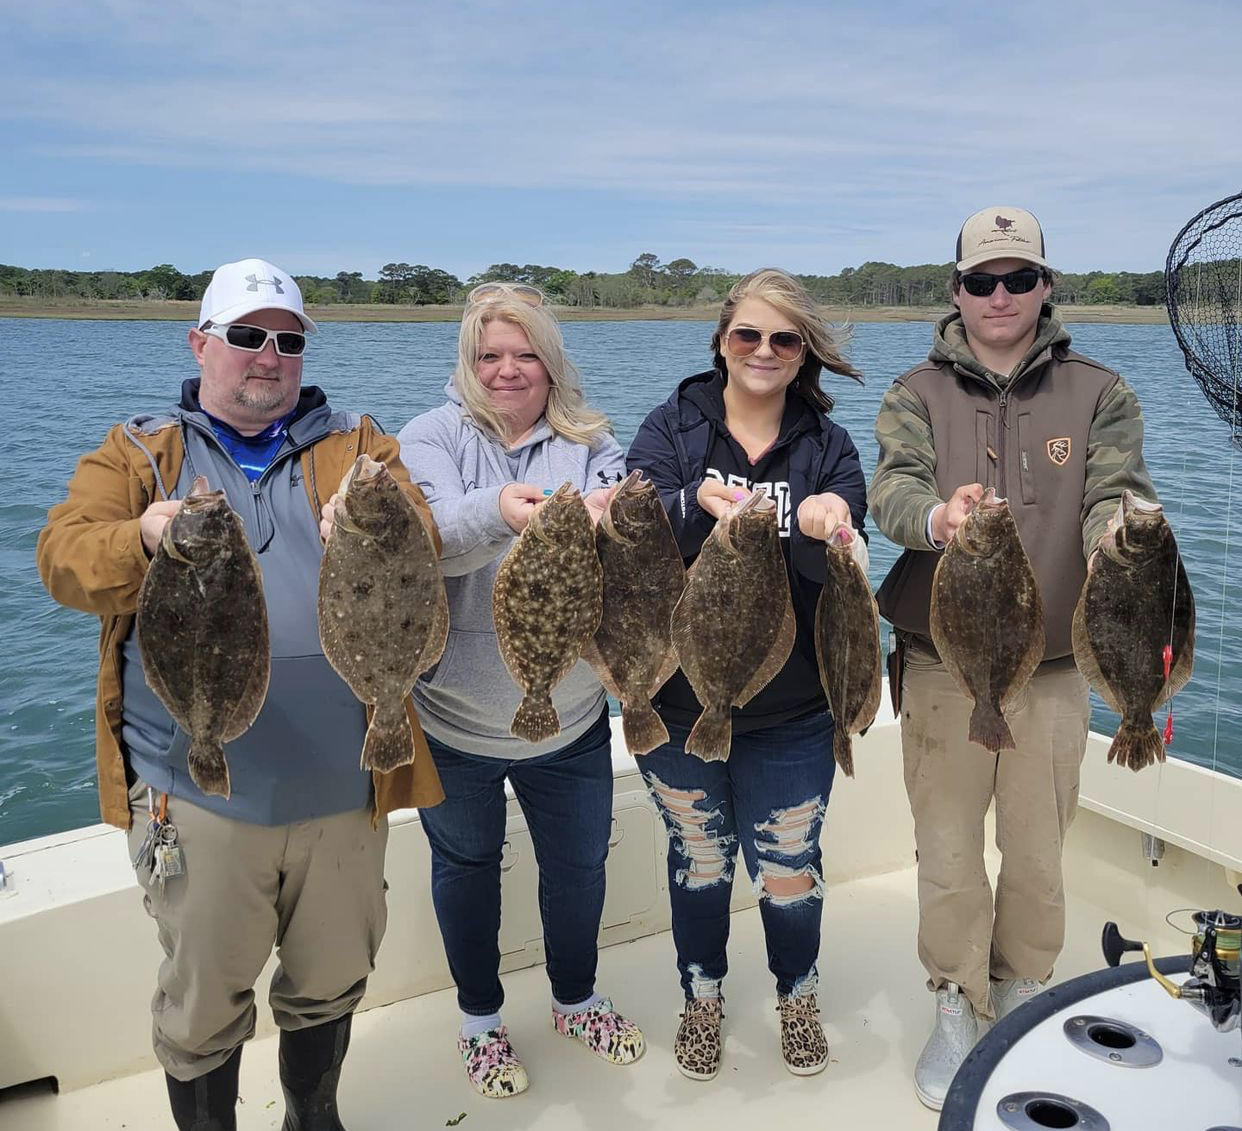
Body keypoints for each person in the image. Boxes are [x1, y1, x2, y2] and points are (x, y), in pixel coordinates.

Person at [35, 259, 444, 1131]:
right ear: (201, 343)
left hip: (347, 785)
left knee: (332, 975)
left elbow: (422, 529)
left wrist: (381, 520)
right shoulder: (142, 451)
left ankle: (314, 1116)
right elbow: (62, 558)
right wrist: (140, 536)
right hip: (197, 791)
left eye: (289, 340)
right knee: (201, 999)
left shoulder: (357, 444)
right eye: (248, 336)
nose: (270, 356)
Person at [869, 207, 1159, 1110]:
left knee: (1038, 854)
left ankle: (1026, 988)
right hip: (943, 662)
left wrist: (1124, 527)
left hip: (1059, 668)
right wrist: (940, 520)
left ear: (1046, 286)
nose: (1001, 295)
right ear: (956, 289)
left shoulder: (1101, 391)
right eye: (982, 280)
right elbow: (891, 489)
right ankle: (959, 997)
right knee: (949, 852)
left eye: (1020, 278)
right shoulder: (915, 392)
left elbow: (1116, 490)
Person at [396, 282, 643, 1099]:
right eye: (489, 354)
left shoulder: (590, 440)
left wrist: (616, 513)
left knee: (577, 869)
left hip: (569, 714)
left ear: (551, 360)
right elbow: (429, 542)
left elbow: (625, 527)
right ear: (468, 362)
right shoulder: (428, 436)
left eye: (525, 352)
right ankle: (480, 1018)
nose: (508, 370)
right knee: (466, 867)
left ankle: (575, 998)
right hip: (455, 720)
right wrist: (501, 510)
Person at [625, 267, 869, 1081]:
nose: (764, 351)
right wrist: (696, 501)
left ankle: (796, 994)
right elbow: (639, 518)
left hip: (797, 707)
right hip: (680, 701)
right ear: (721, 343)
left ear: (804, 355)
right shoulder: (673, 426)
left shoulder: (828, 446)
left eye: (784, 339)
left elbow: (848, 548)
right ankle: (702, 996)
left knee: (790, 872)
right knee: (699, 860)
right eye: (748, 335)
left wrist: (826, 523)